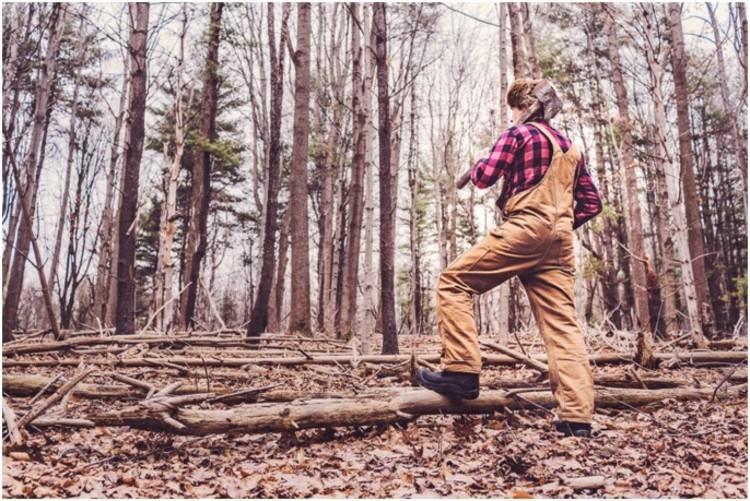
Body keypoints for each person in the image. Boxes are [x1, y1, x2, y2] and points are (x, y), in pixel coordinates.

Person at [416, 78, 603, 438]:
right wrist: (557, 227)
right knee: (563, 328)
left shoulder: (517, 134)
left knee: (453, 282)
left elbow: (485, 178)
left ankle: (461, 371)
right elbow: (592, 204)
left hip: (526, 228)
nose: (512, 115)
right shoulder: (572, 148)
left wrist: (480, 162)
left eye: (513, 109)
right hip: (560, 241)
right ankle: (576, 419)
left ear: (522, 107)